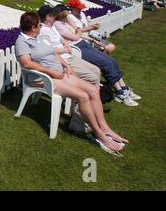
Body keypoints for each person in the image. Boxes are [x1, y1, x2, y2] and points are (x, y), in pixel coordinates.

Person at [15, 12, 128, 154]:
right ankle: (99, 134)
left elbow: (54, 54)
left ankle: (105, 128)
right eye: (39, 25)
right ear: (33, 27)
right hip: (44, 79)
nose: (40, 27)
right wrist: (51, 72)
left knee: (94, 90)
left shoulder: (39, 37)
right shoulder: (22, 42)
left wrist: (66, 66)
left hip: (59, 74)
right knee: (83, 96)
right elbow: (26, 63)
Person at [53, 4, 141, 107]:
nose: (69, 13)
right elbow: (75, 37)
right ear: (62, 13)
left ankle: (124, 88)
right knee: (106, 63)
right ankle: (120, 93)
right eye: (66, 11)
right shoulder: (58, 25)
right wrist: (78, 31)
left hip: (83, 43)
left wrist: (92, 39)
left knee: (111, 60)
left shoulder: (65, 22)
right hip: (77, 48)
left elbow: (78, 32)